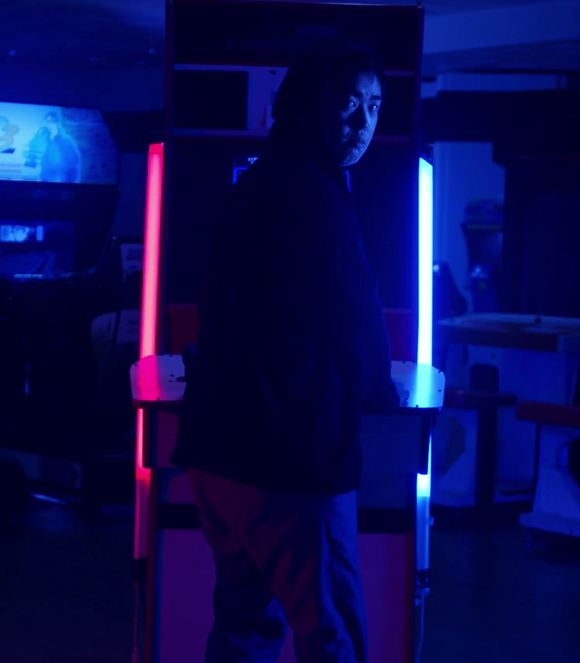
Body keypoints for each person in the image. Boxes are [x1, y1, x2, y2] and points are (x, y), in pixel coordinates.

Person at [172, 41, 398, 663]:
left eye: (375, 107)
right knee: (331, 636)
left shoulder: (251, 186)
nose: (362, 124)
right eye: (348, 104)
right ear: (307, 106)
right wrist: (380, 392)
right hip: (288, 462)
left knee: (245, 629)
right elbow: (357, 316)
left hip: (216, 456)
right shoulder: (318, 194)